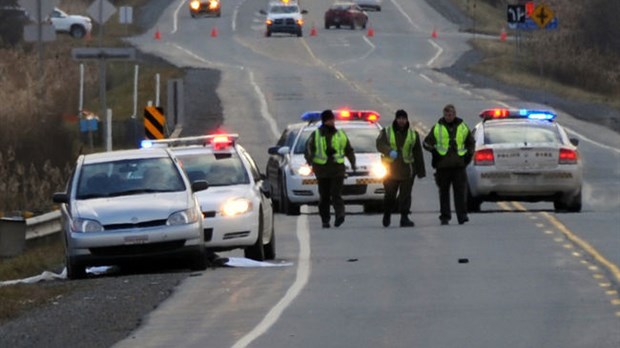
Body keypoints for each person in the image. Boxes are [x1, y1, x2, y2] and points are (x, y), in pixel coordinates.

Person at [423, 104, 475, 225]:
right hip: (443, 166)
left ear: (454, 114)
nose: (449, 117)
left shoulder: (463, 127)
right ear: (444, 115)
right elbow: (426, 143)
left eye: (451, 114)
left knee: (460, 193)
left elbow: (471, 142)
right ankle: (445, 216)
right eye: (446, 114)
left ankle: (462, 216)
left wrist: (467, 156)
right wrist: (434, 152)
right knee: (443, 193)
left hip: (458, 166)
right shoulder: (437, 128)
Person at [305, 109, 356, 228]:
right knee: (324, 196)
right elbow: (308, 149)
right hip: (322, 170)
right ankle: (325, 219)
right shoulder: (316, 134)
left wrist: (353, 162)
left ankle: (340, 215)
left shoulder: (340, 134)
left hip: (337, 169)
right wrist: (310, 161)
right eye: (329, 120)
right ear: (324, 121)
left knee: (336, 193)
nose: (332, 122)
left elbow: (348, 149)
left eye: (332, 119)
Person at [376, 109, 426, 227]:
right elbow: (379, 144)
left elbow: (418, 153)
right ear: (396, 119)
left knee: (405, 196)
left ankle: (404, 217)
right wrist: (389, 151)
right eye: (399, 118)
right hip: (390, 170)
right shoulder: (387, 132)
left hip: (407, 170)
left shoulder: (413, 134)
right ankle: (387, 214)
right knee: (390, 195)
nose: (402, 121)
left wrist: (420, 171)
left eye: (404, 118)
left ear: (407, 120)